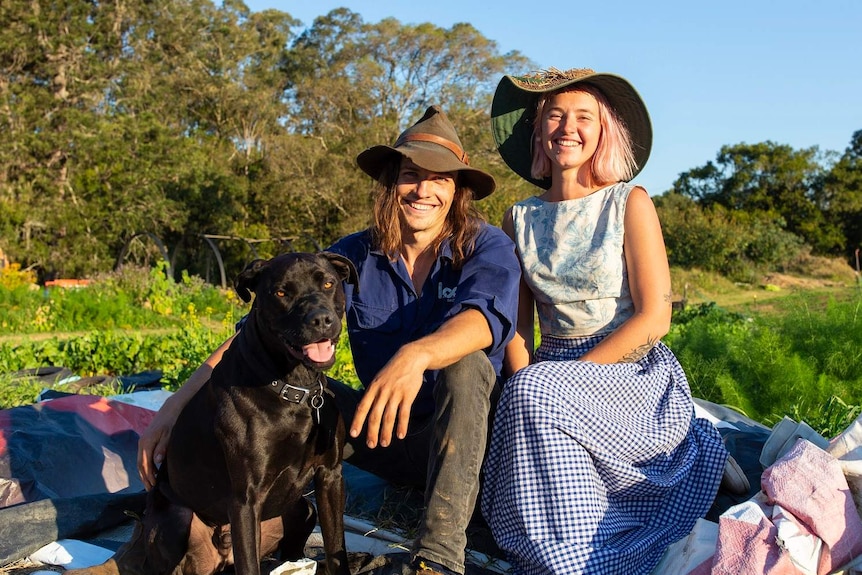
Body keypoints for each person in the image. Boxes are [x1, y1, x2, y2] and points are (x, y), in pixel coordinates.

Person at [136, 105, 521, 575]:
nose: (423, 190)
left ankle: (438, 556)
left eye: (439, 179)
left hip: (467, 441)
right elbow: (251, 336)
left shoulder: (485, 244)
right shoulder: (350, 256)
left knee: (465, 366)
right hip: (384, 427)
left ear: (457, 190)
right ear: (389, 184)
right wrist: (173, 407)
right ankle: (236, 499)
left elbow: (484, 321)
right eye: (410, 175)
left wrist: (415, 356)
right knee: (287, 389)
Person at [479, 68, 729, 574]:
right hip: (549, 367)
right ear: (538, 130)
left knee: (534, 393)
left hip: (629, 368)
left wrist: (562, 380)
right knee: (522, 395)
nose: (567, 127)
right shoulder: (518, 217)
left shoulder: (628, 202)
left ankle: (591, 549)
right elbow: (520, 326)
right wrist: (526, 377)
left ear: (603, 131)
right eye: (554, 115)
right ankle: (568, 549)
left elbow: (656, 316)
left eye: (583, 117)